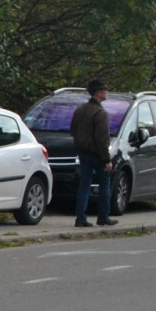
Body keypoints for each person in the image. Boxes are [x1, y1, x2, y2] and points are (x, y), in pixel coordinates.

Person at [70, 78, 118, 228]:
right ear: (98, 93)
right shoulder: (100, 113)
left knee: (84, 184)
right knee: (105, 183)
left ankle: (80, 218)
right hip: (97, 154)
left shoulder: (80, 110)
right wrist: (107, 159)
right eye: (104, 90)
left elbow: (73, 131)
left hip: (83, 153)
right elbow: (102, 139)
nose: (106, 92)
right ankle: (103, 216)